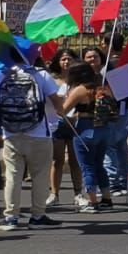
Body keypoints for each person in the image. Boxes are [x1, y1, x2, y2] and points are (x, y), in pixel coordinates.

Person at [0, 45, 65, 231]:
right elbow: (57, 102)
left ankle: (11, 217)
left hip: (11, 134)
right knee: (39, 175)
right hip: (38, 133)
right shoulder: (41, 75)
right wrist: (60, 112)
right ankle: (37, 216)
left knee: (13, 176)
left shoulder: (2, 75)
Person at [80, 46, 128, 204]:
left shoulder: (111, 73)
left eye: (95, 56)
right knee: (100, 156)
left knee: (113, 148)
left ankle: (116, 184)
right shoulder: (81, 76)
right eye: (88, 57)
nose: (92, 60)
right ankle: (109, 186)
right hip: (89, 122)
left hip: (108, 119)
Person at [61, 62, 111, 212]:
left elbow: (63, 110)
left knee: (87, 166)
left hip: (86, 127)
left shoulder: (80, 90)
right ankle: (106, 197)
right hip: (103, 127)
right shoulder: (102, 87)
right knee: (99, 164)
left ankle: (92, 201)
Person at [45, 49, 83, 209]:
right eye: (63, 59)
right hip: (57, 124)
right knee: (57, 160)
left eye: (69, 59)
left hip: (76, 124)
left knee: (76, 161)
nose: (66, 62)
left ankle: (78, 194)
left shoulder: (80, 82)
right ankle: (54, 194)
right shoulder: (52, 81)